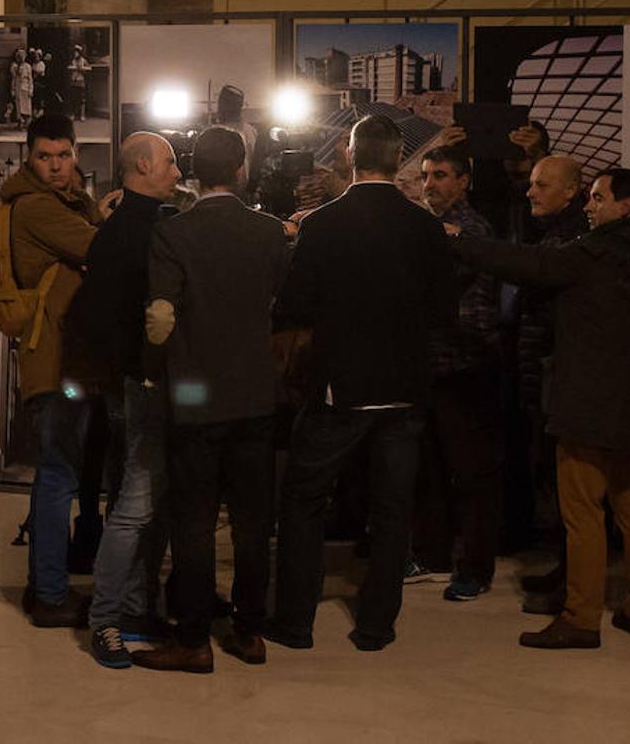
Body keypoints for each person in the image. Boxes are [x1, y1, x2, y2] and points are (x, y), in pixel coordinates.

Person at [455, 167, 630, 649]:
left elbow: (529, 264)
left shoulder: (594, 253)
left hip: (588, 402)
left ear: (626, 206)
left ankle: (581, 618)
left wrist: (459, 240)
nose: (589, 206)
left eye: (598, 198)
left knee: (582, 511)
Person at [267, 115, 456, 653]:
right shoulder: (424, 227)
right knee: (393, 510)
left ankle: (295, 622)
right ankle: (376, 626)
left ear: (351, 156)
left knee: (304, 499)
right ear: (401, 160)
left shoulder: (323, 223)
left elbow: (295, 304)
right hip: (404, 387)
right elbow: (445, 309)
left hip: (339, 387)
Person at [131, 127, 289, 673]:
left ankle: (193, 640)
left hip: (197, 396)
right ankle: (249, 632)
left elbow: (159, 320)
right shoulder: (270, 233)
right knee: (251, 520)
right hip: (254, 394)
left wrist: (161, 366)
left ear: (194, 170)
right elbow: (282, 308)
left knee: (193, 521)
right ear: (242, 169)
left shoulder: (175, 232)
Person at [68, 132, 182, 669]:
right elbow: (116, 318)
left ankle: (135, 607)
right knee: (136, 506)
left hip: (133, 383)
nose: (177, 173)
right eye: (170, 163)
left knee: (144, 502)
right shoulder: (138, 231)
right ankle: (107, 621)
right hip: (142, 384)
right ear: (143, 164)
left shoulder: (129, 226)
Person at [0, 114, 100, 627]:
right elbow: (96, 248)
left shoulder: (63, 204)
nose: (56, 166)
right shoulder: (38, 206)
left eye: (63, 155)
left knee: (58, 475)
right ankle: (52, 595)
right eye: (45, 157)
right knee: (58, 476)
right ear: (28, 157)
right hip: (54, 360)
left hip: (62, 358)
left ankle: (46, 587)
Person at [408, 145, 503, 603]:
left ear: (464, 181)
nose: (430, 184)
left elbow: (444, 282)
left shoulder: (473, 230)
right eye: (426, 174)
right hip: (432, 364)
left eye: (441, 175)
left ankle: (476, 567)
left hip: (466, 365)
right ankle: (433, 555)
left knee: (471, 474)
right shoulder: (431, 229)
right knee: (431, 468)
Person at [514, 156, 588, 614]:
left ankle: (574, 588)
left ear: (570, 192)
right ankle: (567, 575)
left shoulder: (568, 244)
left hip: (555, 377)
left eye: (541, 185)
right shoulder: (555, 236)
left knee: (566, 486)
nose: (530, 192)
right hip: (542, 373)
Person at [67, 43, 90, 121]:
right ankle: (73, 114)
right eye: (74, 52)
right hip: (73, 81)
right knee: (73, 98)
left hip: (80, 82)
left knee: (81, 99)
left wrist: (81, 69)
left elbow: (88, 69)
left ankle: (82, 115)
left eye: (76, 52)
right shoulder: (73, 61)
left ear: (79, 53)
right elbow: (69, 69)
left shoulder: (84, 60)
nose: (75, 53)